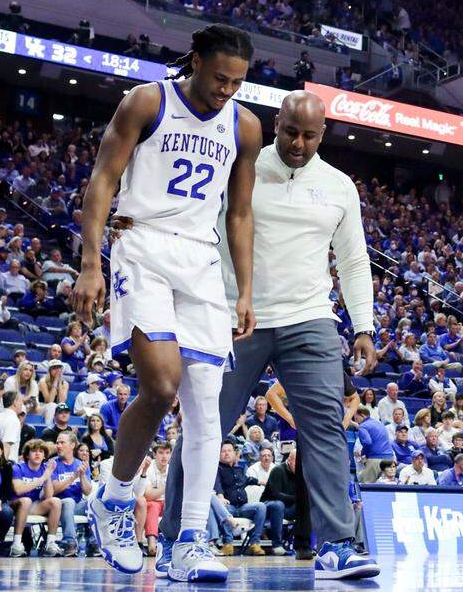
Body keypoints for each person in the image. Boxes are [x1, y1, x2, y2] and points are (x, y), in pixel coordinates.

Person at [161, 89, 379, 581]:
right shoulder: (241, 166)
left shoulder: (340, 186)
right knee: (205, 426)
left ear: (324, 134)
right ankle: (175, 539)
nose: (298, 143)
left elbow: (353, 260)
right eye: (289, 132)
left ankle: (338, 545)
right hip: (238, 315)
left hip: (310, 318)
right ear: (274, 124)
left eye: (309, 135)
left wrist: (363, 324)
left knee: (324, 427)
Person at [74, 24, 261, 581]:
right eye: (219, 77)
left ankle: (191, 540)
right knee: (160, 385)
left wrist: (244, 288)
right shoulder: (148, 101)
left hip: (202, 261)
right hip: (142, 246)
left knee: (207, 405)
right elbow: (103, 181)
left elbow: (240, 213)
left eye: (238, 82)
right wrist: (90, 261)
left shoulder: (245, 126)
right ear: (195, 61)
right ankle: (112, 499)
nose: (227, 90)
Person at [11, 439, 62, 557]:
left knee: (55, 501)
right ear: (27, 455)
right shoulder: (18, 468)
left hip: (33, 505)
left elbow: (48, 496)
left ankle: (50, 543)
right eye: (34, 451)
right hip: (14, 503)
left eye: (41, 451)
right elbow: (19, 490)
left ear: (45, 456)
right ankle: (16, 544)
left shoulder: (45, 469)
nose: (38, 454)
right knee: (26, 500)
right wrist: (42, 478)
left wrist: (48, 476)